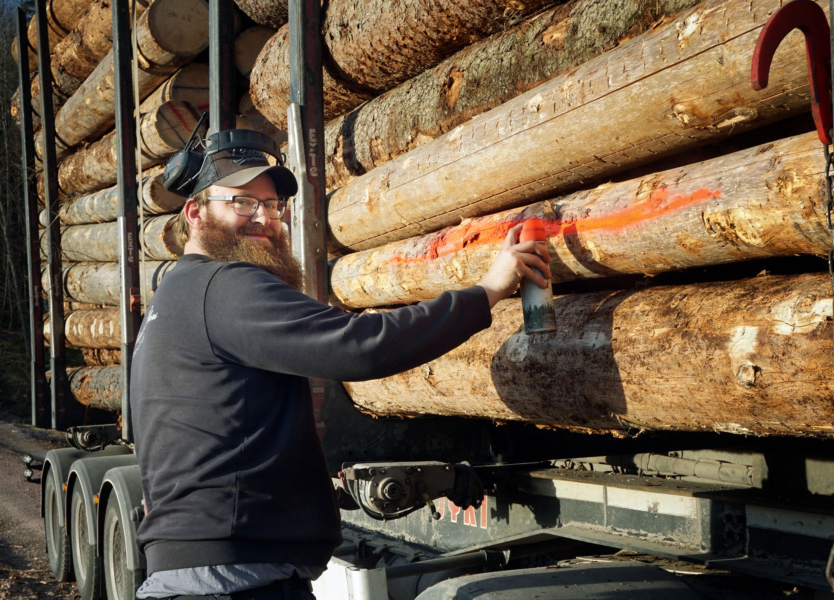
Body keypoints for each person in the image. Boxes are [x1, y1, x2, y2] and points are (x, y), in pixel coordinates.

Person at [129, 129, 551, 600]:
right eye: (242, 202)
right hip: (234, 580)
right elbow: (359, 346)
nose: (263, 218)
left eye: (271, 205)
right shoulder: (224, 285)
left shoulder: (173, 296)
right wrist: (487, 291)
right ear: (195, 211)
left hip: (205, 571)